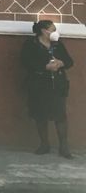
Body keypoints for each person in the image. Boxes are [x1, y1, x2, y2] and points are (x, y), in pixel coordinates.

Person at [21, 20, 74, 159]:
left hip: (57, 84)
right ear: (44, 31)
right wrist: (45, 67)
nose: (55, 32)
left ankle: (64, 146)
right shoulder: (31, 45)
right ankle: (44, 144)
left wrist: (60, 63)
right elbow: (26, 62)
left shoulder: (57, 44)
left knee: (60, 115)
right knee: (40, 114)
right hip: (39, 84)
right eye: (53, 29)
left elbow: (69, 61)